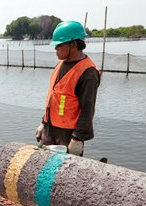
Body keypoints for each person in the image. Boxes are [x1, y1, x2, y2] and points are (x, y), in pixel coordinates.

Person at [35, 21, 100, 156]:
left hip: (68, 135)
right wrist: (43, 123)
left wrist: (77, 139)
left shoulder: (88, 72)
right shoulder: (60, 65)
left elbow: (88, 109)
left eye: (59, 45)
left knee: (63, 173)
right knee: (42, 169)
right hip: (50, 129)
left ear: (74, 45)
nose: (55, 48)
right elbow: (54, 99)